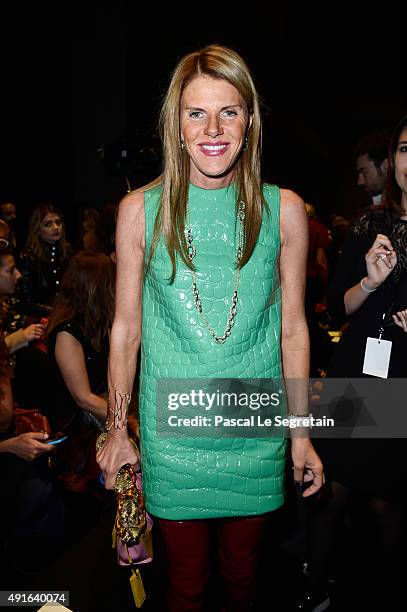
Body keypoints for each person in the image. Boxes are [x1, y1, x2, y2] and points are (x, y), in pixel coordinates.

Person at [97, 44, 323, 612]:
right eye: (196, 112)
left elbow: (293, 331)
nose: (214, 128)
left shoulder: (286, 209)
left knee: (245, 579)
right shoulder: (138, 210)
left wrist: (300, 431)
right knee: (186, 587)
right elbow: (125, 330)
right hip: (173, 438)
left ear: (250, 122)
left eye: (230, 111)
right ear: (175, 124)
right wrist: (117, 429)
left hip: (255, 429)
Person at [296, 114, 407, 611]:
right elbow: (336, 308)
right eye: (405, 149)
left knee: (388, 507)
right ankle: (314, 589)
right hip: (358, 372)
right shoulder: (371, 223)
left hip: (403, 381)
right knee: (329, 493)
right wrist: (370, 283)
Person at [44, 251, 115, 492]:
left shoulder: (97, 324)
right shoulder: (68, 333)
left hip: (97, 415)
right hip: (77, 431)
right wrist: (127, 419)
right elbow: (82, 398)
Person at [18, 202, 71, 317]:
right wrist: (52, 311)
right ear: (37, 229)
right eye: (48, 224)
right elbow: (25, 301)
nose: (56, 228)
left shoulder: (67, 253)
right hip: (38, 320)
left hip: (64, 315)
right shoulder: (28, 257)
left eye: (58, 222)